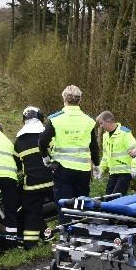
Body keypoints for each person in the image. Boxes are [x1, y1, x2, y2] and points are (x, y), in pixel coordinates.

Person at [39, 85, 100, 221]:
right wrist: (96, 165)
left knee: (65, 205)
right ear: (79, 101)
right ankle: (81, 234)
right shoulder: (88, 121)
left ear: (64, 99)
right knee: (82, 205)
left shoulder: (56, 119)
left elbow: (42, 140)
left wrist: (45, 157)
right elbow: (94, 147)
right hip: (83, 171)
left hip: (63, 170)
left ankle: (66, 236)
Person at [15, 106, 54, 249]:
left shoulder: (19, 141)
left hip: (31, 185)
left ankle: (30, 244)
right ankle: (69, 236)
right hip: (51, 181)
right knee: (64, 207)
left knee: (32, 213)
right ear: (40, 117)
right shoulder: (47, 134)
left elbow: (17, 164)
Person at [96, 110, 136, 195]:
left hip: (125, 172)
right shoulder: (105, 136)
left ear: (108, 121)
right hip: (113, 173)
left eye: (101, 123)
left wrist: (134, 167)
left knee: (116, 198)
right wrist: (101, 169)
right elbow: (106, 156)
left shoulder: (124, 133)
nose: (100, 126)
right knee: (108, 198)